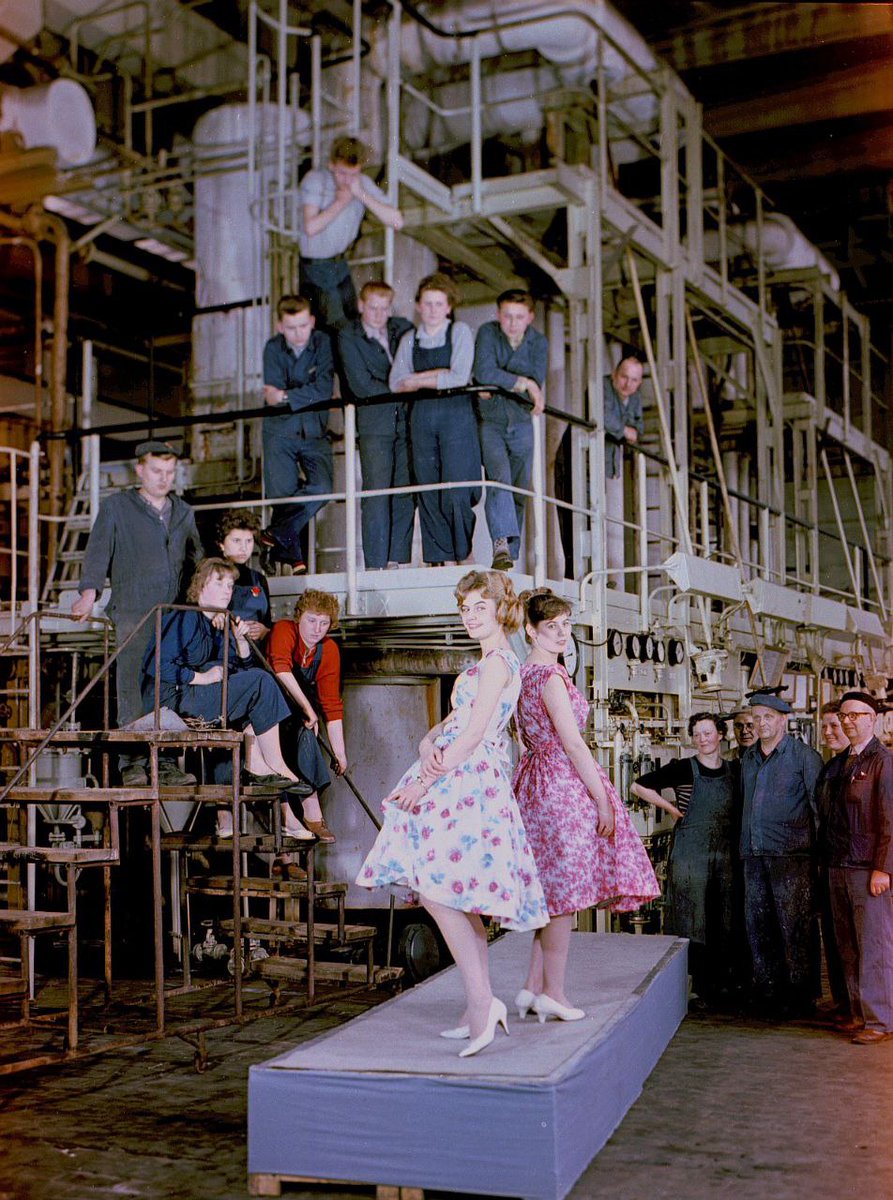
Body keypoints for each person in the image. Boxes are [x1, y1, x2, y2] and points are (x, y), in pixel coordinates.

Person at [356, 570, 548, 1057]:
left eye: (478, 607)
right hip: (455, 772)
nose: (469, 616)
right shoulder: (481, 664)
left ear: (500, 610)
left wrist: (425, 779)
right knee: (452, 896)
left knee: (439, 890)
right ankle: (477, 1005)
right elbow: (449, 724)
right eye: (464, 609)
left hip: (469, 780)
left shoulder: (502, 663)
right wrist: (424, 743)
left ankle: (483, 1005)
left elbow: (475, 732)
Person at [514, 589, 659, 1022]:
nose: (561, 634)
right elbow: (574, 743)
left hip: (534, 780)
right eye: (550, 627)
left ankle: (531, 987)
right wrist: (602, 798)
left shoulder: (523, 675)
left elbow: (524, 737)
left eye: (565, 625)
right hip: (561, 783)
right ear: (530, 630)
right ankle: (553, 992)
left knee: (552, 892)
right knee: (564, 895)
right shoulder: (551, 678)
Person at [141, 558, 312, 847]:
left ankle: (261, 771)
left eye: (230, 585)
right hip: (172, 699)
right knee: (260, 682)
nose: (226, 590)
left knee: (254, 689)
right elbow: (155, 665)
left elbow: (237, 672)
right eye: (218, 582)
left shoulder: (216, 625)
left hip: (196, 698)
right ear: (200, 586)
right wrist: (200, 677)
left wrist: (241, 642)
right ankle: (271, 765)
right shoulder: (184, 617)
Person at [72, 439, 201, 787]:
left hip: (174, 614)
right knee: (131, 685)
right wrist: (88, 595)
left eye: (170, 472)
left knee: (170, 685)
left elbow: (196, 563)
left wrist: (204, 608)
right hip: (132, 611)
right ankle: (132, 763)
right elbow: (98, 553)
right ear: (140, 469)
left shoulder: (184, 513)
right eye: (156, 471)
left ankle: (169, 762)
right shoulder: (117, 507)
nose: (163, 479)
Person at [632, 712, 740, 1005]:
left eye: (708, 733)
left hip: (725, 852)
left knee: (724, 915)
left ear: (720, 734)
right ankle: (695, 987)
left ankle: (722, 985)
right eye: (697, 734)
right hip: (691, 852)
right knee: (692, 917)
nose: (703, 739)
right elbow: (637, 786)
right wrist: (669, 807)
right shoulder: (682, 768)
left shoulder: (735, 770)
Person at [740, 693, 823, 1018]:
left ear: (783, 720)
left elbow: (819, 811)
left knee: (795, 928)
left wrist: (818, 860)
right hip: (754, 855)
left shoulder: (804, 757)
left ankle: (801, 997)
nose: (761, 723)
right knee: (759, 927)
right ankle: (768, 992)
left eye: (768, 717)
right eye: (757, 718)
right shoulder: (749, 758)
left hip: (792, 858)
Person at [390, 273, 481, 566]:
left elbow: (459, 377)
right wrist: (435, 377)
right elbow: (396, 382)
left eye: (438, 303)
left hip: (456, 417)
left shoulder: (460, 332)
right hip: (422, 417)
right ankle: (438, 559)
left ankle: (463, 554)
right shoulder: (409, 339)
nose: (432, 309)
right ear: (418, 306)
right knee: (428, 488)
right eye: (427, 303)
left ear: (448, 306)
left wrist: (417, 379)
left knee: (456, 489)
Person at [819, 692, 893, 1044]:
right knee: (846, 945)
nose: (849, 721)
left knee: (874, 946)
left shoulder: (883, 761)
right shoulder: (843, 762)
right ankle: (855, 1012)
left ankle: (880, 1020)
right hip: (838, 865)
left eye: (856, 715)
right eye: (844, 716)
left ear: (872, 719)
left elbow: (890, 820)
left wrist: (884, 869)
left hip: (867, 869)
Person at [337, 281, 415, 569]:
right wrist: (403, 387)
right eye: (373, 308)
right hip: (375, 423)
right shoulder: (349, 335)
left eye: (385, 308)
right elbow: (360, 385)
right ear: (361, 306)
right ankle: (375, 564)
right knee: (376, 494)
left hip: (407, 421)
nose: (379, 314)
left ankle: (397, 560)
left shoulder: (402, 328)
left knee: (405, 492)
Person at [472, 289, 548, 571]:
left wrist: (501, 379)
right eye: (507, 316)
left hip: (521, 422)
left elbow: (535, 376)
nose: (513, 323)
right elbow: (483, 372)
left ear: (530, 317)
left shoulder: (539, 342)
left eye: (519, 317)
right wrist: (524, 383)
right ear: (497, 315)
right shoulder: (487, 333)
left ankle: (510, 557)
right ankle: (500, 543)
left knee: (518, 487)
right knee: (499, 478)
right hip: (491, 421)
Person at [261, 295, 334, 574]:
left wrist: (287, 395)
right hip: (280, 432)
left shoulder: (323, 343)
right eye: (291, 328)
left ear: (312, 322)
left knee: (324, 488)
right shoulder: (272, 348)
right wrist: (304, 394)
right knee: (283, 496)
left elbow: (325, 388)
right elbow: (271, 398)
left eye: (303, 326)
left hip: (315, 430)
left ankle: (275, 535)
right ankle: (295, 562)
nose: (298, 333)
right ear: (280, 326)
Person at [299, 136, 404, 329]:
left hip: (340, 262)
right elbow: (311, 227)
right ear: (331, 165)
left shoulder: (361, 183)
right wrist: (341, 202)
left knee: (354, 323)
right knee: (334, 329)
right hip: (316, 265)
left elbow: (397, 221)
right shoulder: (316, 180)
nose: (347, 180)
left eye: (353, 174)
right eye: (341, 173)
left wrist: (361, 194)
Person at [268, 589, 346, 844]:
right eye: (312, 620)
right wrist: (309, 711)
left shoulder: (328, 650)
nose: (317, 629)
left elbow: (331, 702)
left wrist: (340, 752)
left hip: (297, 718)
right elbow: (280, 668)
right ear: (299, 616)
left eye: (324, 623)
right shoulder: (284, 630)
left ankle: (306, 823)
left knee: (304, 737)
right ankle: (309, 814)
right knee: (297, 737)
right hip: (267, 710)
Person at [815, 699, 850, 1013]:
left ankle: (860, 1008)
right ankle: (844, 1004)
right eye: (824, 726)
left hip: (854, 866)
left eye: (834, 726)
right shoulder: (830, 767)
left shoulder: (863, 764)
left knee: (856, 943)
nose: (828, 732)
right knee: (835, 940)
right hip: (830, 864)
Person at [604, 355, 645, 585]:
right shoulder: (602, 387)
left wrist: (625, 430)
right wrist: (623, 430)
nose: (627, 385)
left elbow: (640, 428)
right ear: (614, 374)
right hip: (585, 458)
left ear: (639, 382)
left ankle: (609, 575)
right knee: (585, 514)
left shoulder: (634, 398)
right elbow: (605, 418)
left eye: (634, 380)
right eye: (623, 378)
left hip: (610, 462)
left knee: (606, 516)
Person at [216, 508, 271, 641]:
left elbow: (267, 621)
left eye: (249, 541)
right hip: (223, 652)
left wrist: (265, 631)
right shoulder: (212, 575)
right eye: (236, 541)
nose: (244, 548)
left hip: (256, 652)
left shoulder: (259, 579)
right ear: (221, 544)